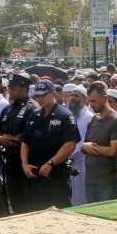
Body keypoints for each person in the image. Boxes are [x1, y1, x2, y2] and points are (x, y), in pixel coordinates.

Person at [21, 80, 81, 211]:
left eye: (43, 95)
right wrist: (24, 164)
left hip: (56, 175)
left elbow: (70, 144)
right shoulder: (35, 116)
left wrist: (51, 163)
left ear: (53, 94)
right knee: (38, 212)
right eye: (37, 96)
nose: (40, 99)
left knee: (60, 214)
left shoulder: (64, 115)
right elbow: (25, 142)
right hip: (36, 174)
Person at [0, 72, 36, 214]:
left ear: (24, 89)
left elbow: (30, 132)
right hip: (9, 161)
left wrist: (13, 139)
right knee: (15, 200)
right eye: (9, 89)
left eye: (13, 89)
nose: (9, 92)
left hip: (25, 161)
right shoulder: (8, 108)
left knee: (28, 202)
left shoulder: (32, 108)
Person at [81, 81, 117, 203]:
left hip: (107, 182)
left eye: (94, 101)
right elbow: (83, 147)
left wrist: (91, 148)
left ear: (105, 98)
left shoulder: (116, 120)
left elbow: (112, 151)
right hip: (90, 180)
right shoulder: (93, 119)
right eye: (89, 101)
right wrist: (85, 146)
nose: (91, 105)